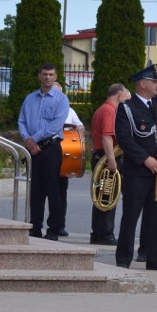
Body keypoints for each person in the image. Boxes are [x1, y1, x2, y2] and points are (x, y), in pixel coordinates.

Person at [115, 65, 157, 271]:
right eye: (154, 82)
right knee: (131, 216)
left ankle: (155, 258)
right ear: (143, 84)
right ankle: (124, 259)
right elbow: (125, 138)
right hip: (138, 172)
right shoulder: (127, 108)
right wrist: (145, 159)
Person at [18, 63, 70, 240]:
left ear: (55, 77)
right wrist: (28, 139)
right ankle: (35, 227)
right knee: (36, 190)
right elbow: (22, 120)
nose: (47, 77)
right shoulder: (30, 98)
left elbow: (56, 125)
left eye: (51, 74)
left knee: (53, 189)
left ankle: (54, 229)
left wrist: (35, 139)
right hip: (33, 149)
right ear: (39, 76)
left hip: (50, 148)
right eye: (44, 74)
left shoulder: (61, 99)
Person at [90, 83, 130, 245]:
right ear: (119, 95)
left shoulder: (103, 108)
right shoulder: (110, 111)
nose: (126, 103)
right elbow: (107, 137)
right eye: (125, 99)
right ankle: (105, 233)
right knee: (108, 196)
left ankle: (99, 233)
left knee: (103, 195)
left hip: (102, 156)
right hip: (107, 157)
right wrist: (112, 159)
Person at [54, 81, 83, 237]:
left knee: (61, 193)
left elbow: (80, 128)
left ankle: (59, 225)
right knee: (42, 192)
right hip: (49, 153)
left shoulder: (69, 111)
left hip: (65, 156)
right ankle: (36, 224)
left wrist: (78, 129)